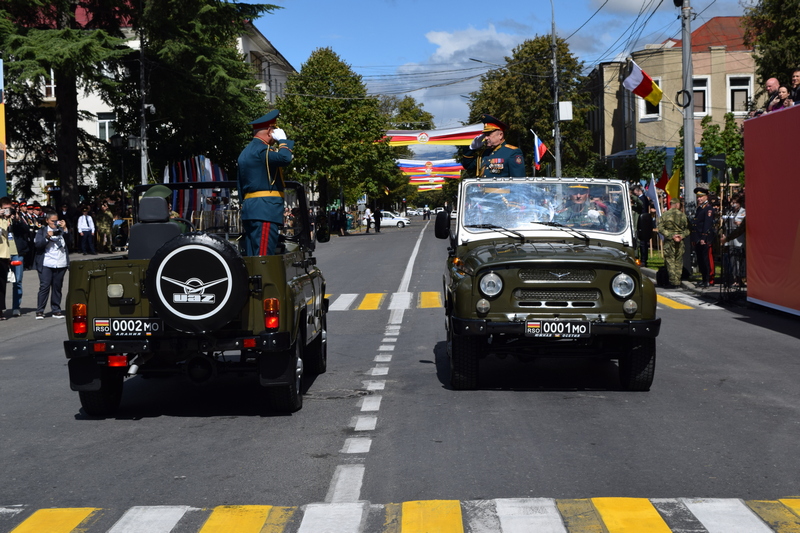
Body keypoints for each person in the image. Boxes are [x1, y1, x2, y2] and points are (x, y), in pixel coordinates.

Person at [237, 109, 295, 256]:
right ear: (270, 131)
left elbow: (240, 184)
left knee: (253, 255)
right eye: (274, 129)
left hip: (252, 209)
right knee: (263, 257)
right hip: (265, 210)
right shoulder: (262, 150)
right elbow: (285, 159)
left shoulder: (245, 152)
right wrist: (283, 141)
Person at [34, 210, 70, 319]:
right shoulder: (42, 231)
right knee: (44, 286)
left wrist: (65, 229)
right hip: (47, 262)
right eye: (52, 221)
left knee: (57, 286)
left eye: (56, 221)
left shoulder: (61, 230)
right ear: (47, 221)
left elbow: (70, 241)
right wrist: (47, 237)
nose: (54, 223)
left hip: (60, 262)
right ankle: (40, 311)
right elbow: (38, 245)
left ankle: (56, 310)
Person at [656, 198, 690, 289]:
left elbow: (660, 228)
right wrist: (681, 236)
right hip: (680, 241)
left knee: (670, 261)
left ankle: (672, 282)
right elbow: (688, 229)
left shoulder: (665, 215)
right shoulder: (683, 216)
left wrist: (671, 235)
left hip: (669, 241)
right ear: (677, 204)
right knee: (678, 261)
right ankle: (677, 281)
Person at [720, 193, 746, 288]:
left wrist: (739, 223)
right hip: (730, 239)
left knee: (739, 260)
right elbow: (725, 224)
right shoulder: (730, 212)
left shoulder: (743, 212)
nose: (733, 204)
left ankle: (740, 279)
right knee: (732, 260)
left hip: (739, 240)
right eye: (732, 202)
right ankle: (734, 279)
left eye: (735, 202)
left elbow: (744, 225)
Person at [691, 187, 715, 288]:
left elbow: (707, 224)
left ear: (706, 197)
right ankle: (704, 278)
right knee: (700, 260)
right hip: (697, 238)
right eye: (698, 197)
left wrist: (703, 238)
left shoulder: (708, 209)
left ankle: (710, 279)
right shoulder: (700, 208)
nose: (699, 199)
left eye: (701, 197)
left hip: (704, 238)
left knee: (706, 259)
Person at [0, 197, 15, 320]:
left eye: (8, 209)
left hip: (4, 255)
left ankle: (0, 310)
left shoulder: (7, 219)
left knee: (2, 284)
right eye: (4, 209)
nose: (6, 211)